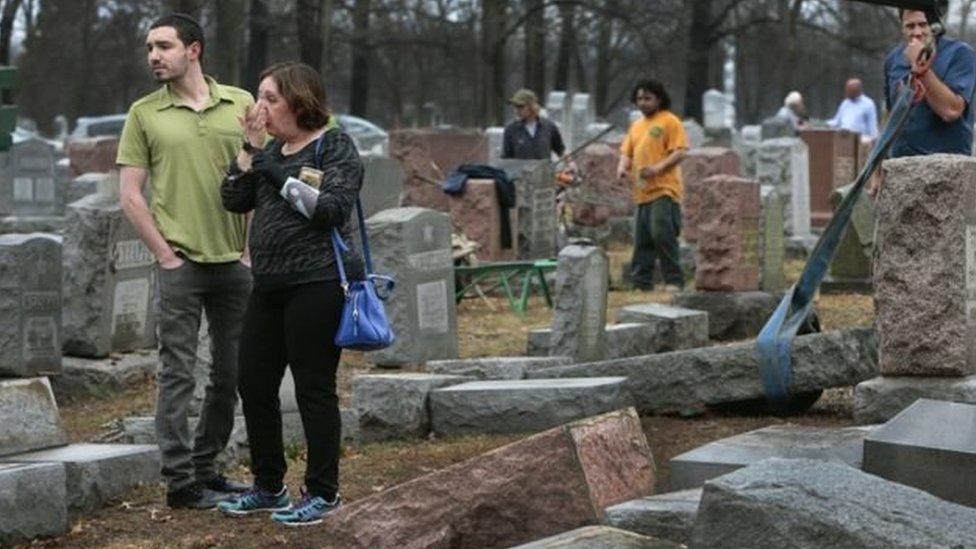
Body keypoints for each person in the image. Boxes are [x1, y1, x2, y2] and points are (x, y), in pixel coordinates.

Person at [216, 61, 364, 527]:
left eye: (270, 98)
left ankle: (323, 491)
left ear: (300, 101)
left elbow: (330, 210)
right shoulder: (270, 149)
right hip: (269, 284)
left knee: (313, 389)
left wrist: (274, 170)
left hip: (317, 283)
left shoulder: (333, 145)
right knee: (254, 382)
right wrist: (250, 151)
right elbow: (232, 199)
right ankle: (268, 485)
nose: (259, 108)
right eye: (258, 97)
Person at [117, 13, 253, 509]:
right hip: (180, 264)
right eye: (150, 47)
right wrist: (164, 255)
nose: (153, 55)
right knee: (177, 373)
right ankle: (179, 481)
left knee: (232, 372)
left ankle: (207, 467)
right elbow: (130, 194)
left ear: (193, 50)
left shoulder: (241, 103)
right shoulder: (144, 113)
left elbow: (258, 177)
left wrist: (248, 249)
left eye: (164, 46)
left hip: (234, 264)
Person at [615, 79, 688, 292]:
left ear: (659, 99)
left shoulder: (669, 121)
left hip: (664, 189)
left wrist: (657, 169)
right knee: (642, 238)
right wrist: (622, 168)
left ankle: (674, 280)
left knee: (661, 233)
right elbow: (626, 152)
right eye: (639, 99)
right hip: (641, 191)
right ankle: (641, 283)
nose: (643, 103)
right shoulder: (636, 126)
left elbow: (680, 151)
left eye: (648, 98)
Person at [883, 7, 975, 159]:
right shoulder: (893, 60)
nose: (917, 32)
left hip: (947, 165)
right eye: (910, 26)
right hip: (901, 165)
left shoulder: (959, 54)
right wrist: (878, 163)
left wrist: (921, 67)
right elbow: (890, 114)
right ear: (902, 27)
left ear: (935, 26)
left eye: (923, 25)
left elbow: (951, 111)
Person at [501, 88, 566, 160]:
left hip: (544, 170)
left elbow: (561, 150)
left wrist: (570, 164)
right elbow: (506, 159)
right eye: (515, 106)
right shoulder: (511, 130)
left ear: (532, 107)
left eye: (520, 106)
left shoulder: (549, 127)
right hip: (519, 171)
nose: (517, 110)